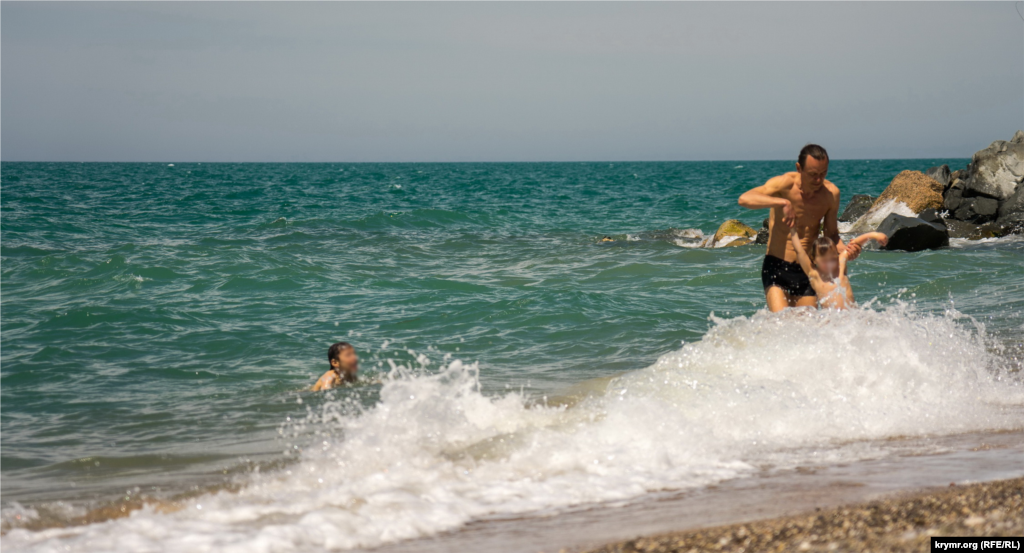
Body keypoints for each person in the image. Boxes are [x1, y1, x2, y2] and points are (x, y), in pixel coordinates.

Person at [738, 144, 862, 312]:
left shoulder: (831, 194)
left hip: (808, 269)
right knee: (781, 322)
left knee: (806, 328)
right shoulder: (784, 185)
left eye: (823, 173)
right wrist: (782, 202)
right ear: (799, 168)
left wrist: (847, 249)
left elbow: (831, 234)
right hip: (777, 265)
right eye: (812, 175)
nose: (818, 180)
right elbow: (745, 199)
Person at [789, 229, 887, 309]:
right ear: (814, 260)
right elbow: (800, 251)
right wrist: (792, 230)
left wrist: (875, 235)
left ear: (837, 255)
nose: (829, 263)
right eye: (824, 261)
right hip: (832, 322)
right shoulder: (814, 274)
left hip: (853, 318)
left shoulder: (840, 267)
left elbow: (855, 243)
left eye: (832, 259)